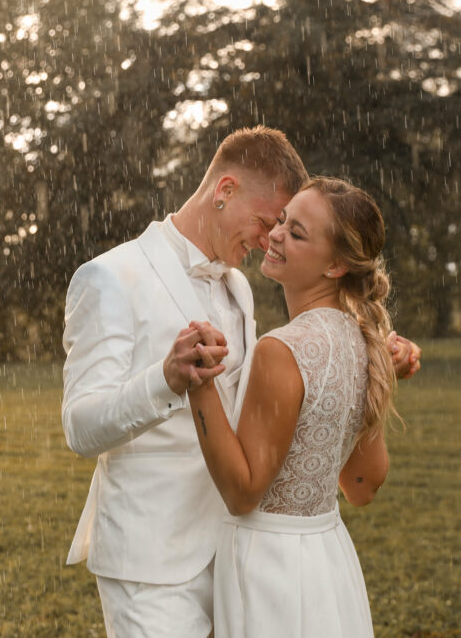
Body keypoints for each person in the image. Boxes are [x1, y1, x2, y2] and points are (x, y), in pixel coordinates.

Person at [61, 129, 420, 637]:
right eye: (266, 221)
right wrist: (165, 379)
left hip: (242, 557)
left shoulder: (238, 287)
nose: (267, 238)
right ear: (224, 190)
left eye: (286, 228)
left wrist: (367, 368)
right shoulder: (109, 277)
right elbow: (80, 427)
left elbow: (278, 404)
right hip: (153, 566)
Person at [186, 176, 402, 637]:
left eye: (297, 232)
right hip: (327, 562)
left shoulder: (281, 350)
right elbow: (362, 485)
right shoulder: (365, 343)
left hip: (269, 570)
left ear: (337, 265)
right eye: (282, 220)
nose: (277, 234)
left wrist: (199, 384)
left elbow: (243, 494)